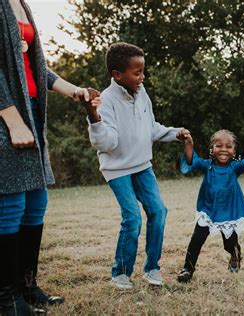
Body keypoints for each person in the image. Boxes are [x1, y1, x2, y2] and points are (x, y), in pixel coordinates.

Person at [0, 0, 100, 314]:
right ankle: (6, 300)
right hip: (7, 116)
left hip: (30, 111)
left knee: (35, 203)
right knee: (11, 202)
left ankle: (27, 287)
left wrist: (74, 90)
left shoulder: (21, 5)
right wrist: (13, 122)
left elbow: (34, 64)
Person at [84, 42, 189, 289]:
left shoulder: (142, 93)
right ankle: (120, 273)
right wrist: (94, 117)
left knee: (158, 211)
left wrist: (175, 133)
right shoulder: (106, 100)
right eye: (137, 72)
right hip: (117, 169)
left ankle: (152, 268)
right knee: (132, 218)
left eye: (143, 71)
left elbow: (150, 127)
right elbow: (106, 143)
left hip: (142, 166)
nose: (142, 77)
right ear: (117, 75)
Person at [176, 129, 244, 283]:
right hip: (208, 210)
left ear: (234, 151)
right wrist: (189, 143)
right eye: (219, 145)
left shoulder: (234, 167)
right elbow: (191, 160)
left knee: (230, 244)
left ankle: (235, 255)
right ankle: (188, 269)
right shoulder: (207, 165)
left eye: (229, 146)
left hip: (229, 212)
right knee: (196, 239)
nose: (224, 149)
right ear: (212, 149)